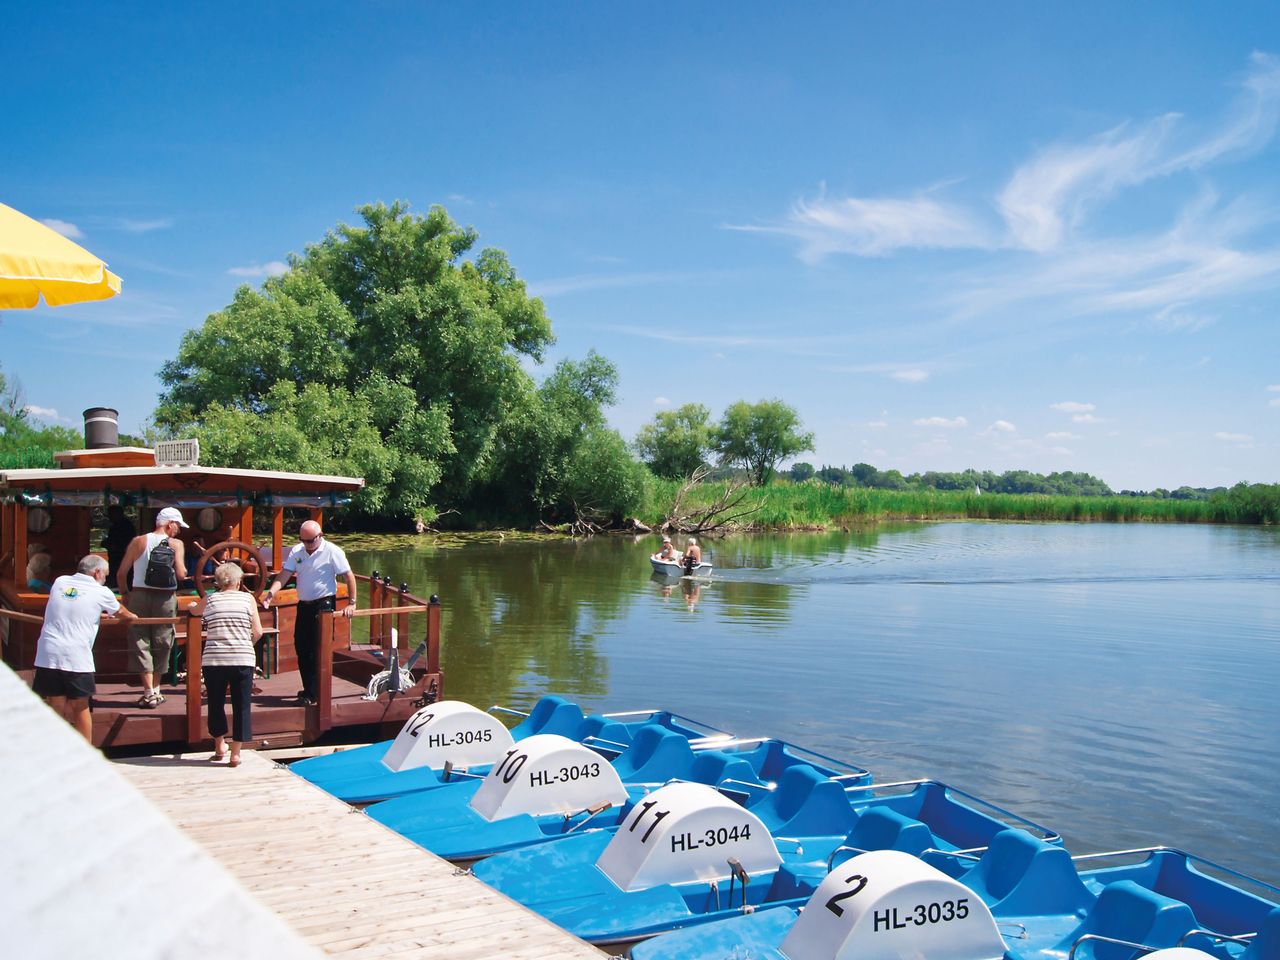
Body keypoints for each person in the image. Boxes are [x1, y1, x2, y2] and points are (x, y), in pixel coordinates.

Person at [32, 554, 137, 741]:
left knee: (55, 704)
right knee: (80, 706)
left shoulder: (60, 582)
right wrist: (133, 617)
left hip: (48, 651)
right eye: (105, 575)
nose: (105, 579)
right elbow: (124, 614)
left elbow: (74, 605)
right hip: (75, 655)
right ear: (96, 573)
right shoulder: (101, 592)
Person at [263, 520, 357, 706]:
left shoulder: (332, 551)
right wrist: (271, 593)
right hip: (304, 604)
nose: (307, 545)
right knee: (301, 647)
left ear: (320, 536)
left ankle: (313, 693)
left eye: (310, 541)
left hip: (323, 605)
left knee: (317, 649)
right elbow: (285, 574)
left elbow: (349, 576)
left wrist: (352, 603)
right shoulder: (297, 551)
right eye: (303, 540)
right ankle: (309, 689)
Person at [117, 507, 189, 708]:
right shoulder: (176, 544)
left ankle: (148, 691)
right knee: (163, 640)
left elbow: (121, 573)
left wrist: (126, 595)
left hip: (138, 595)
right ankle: (156, 690)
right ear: (169, 524)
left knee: (140, 639)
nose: (179, 531)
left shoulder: (138, 541)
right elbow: (182, 574)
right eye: (178, 526)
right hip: (165, 598)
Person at [198, 562, 263, 767]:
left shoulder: (210, 599)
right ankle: (236, 754)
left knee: (215, 703)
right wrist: (246, 645)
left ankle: (219, 745)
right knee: (241, 705)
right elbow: (258, 632)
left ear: (218, 581)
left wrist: (192, 608)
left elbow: (194, 613)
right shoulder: (248, 598)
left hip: (214, 660)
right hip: (242, 658)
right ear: (238, 581)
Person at [103, 505, 136, 585]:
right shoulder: (114, 526)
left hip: (123, 557)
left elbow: (125, 543)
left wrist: (112, 545)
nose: (110, 517)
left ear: (118, 514)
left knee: (123, 578)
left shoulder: (126, 526)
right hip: (115, 558)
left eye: (111, 514)